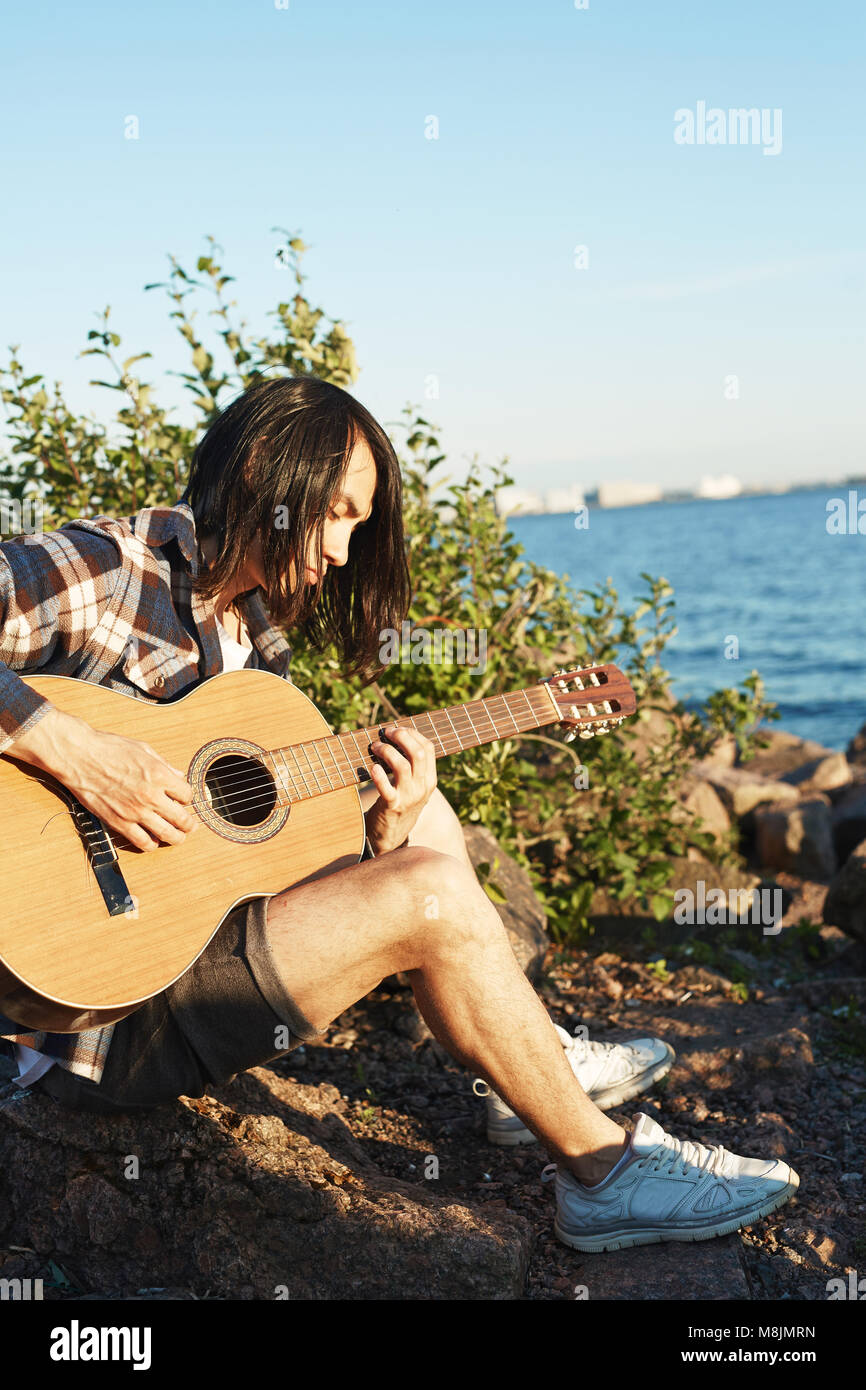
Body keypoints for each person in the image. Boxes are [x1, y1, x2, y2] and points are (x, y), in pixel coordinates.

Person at [0, 374, 798, 1253]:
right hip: (84, 1019)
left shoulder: (255, 644)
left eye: (358, 524)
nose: (344, 550)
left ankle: (520, 1070)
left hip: (170, 955)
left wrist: (379, 839)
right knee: (428, 891)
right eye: (337, 512)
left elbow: (236, 872)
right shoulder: (113, 569)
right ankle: (605, 1173)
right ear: (266, 465)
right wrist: (74, 749)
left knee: (417, 810)